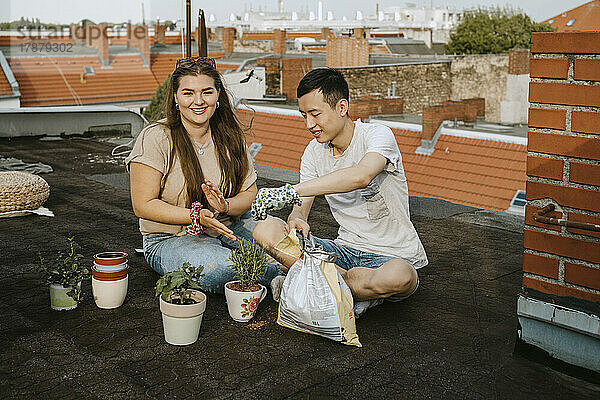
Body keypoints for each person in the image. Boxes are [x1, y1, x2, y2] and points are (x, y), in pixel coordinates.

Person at [251, 67, 428, 317]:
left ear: (342, 107)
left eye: (315, 114)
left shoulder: (377, 135)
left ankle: (318, 284)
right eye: (304, 116)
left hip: (391, 257)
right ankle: (346, 288)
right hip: (341, 251)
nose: (309, 124)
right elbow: (300, 209)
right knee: (264, 230)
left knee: (400, 277)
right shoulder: (313, 152)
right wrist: (296, 220)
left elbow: (362, 175)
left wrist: (289, 190)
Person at [125, 56, 280, 293]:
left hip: (229, 226)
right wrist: (195, 216)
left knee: (285, 240)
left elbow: (250, 194)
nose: (198, 101)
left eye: (206, 92)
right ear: (175, 98)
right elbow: (142, 205)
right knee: (221, 268)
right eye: (188, 93)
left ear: (218, 94)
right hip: (170, 239)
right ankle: (287, 278)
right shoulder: (156, 136)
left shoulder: (230, 135)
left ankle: (294, 274)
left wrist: (225, 205)